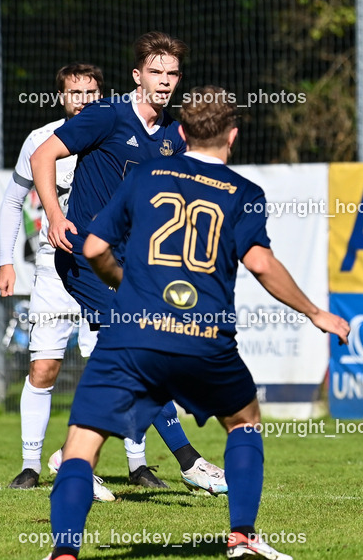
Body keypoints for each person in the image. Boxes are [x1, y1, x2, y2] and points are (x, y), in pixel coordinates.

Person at [18, 86, 351, 560]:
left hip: (133, 332)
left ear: (183, 132)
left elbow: (91, 248)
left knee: (83, 441)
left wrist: (124, 282)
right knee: (244, 421)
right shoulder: (243, 193)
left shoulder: (146, 176)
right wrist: (315, 313)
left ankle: (63, 553)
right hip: (205, 337)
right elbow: (261, 263)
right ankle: (242, 536)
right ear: (232, 134)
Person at [30, 33, 225, 494]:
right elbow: (44, 155)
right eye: (155, 72)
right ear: (137, 76)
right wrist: (56, 216)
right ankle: (189, 460)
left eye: (172, 73)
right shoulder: (107, 115)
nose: (164, 81)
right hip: (82, 257)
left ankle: (70, 457)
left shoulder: (173, 136)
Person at [0, 63, 151, 500]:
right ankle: (31, 465)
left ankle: (137, 463)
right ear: (61, 96)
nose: (82, 100)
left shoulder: (119, 134)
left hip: (103, 266)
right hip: (52, 268)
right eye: (74, 92)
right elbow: (12, 202)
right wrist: (6, 261)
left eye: (91, 93)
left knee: (118, 360)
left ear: (102, 95)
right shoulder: (41, 140)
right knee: (44, 365)